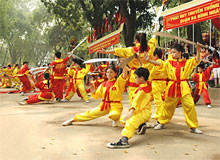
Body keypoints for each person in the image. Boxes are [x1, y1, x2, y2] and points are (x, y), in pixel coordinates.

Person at [145, 43, 203, 134]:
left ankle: (193, 126)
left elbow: (197, 60)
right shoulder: (168, 62)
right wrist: (149, 61)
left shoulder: (187, 62)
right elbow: (160, 63)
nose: (172, 54)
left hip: (184, 86)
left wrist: (198, 50)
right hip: (172, 86)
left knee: (190, 105)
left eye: (174, 52)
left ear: (180, 52)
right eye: (171, 52)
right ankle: (162, 122)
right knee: (168, 106)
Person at [97, 25, 158, 105]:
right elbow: (154, 37)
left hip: (134, 76)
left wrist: (106, 52)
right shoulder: (150, 48)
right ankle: (143, 113)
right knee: (145, 94)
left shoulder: (131, 50)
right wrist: (156, 28)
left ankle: (134, 111)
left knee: (133, 96)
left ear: (136, 41)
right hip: (146, 75)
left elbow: (118, 51)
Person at [62, 65, 128, 127]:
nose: (109, 74)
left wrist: (124, 66)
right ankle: (73, 119)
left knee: (114, 114)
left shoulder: (118, 82)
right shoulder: (103, 84)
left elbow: (124, 76)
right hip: (104, 105)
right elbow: (97, 95)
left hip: (115, 105)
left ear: (115, 74)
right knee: (90, 114)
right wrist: (93, 92)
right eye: (107, 72)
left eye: (111, 72)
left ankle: (116, 120)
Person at [107, 67, 152, 148]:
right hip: (144, 112)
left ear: (141, 78)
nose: (134, 79)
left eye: (136, 77)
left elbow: (136, 103)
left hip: (142, 113)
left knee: (129, 123)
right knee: (123, 119)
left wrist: (131, 112)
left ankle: (124, 140)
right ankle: (141, 125)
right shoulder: (147, 84)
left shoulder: (142, 91)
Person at [150, 48, 167, 120]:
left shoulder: (158, 63)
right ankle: (160, 113)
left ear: (156, 55)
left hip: (157, 83)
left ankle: (159, 114)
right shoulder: (161, 63)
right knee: (159, 99)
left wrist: (148, 60)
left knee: (158, 100)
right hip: (162, 82)